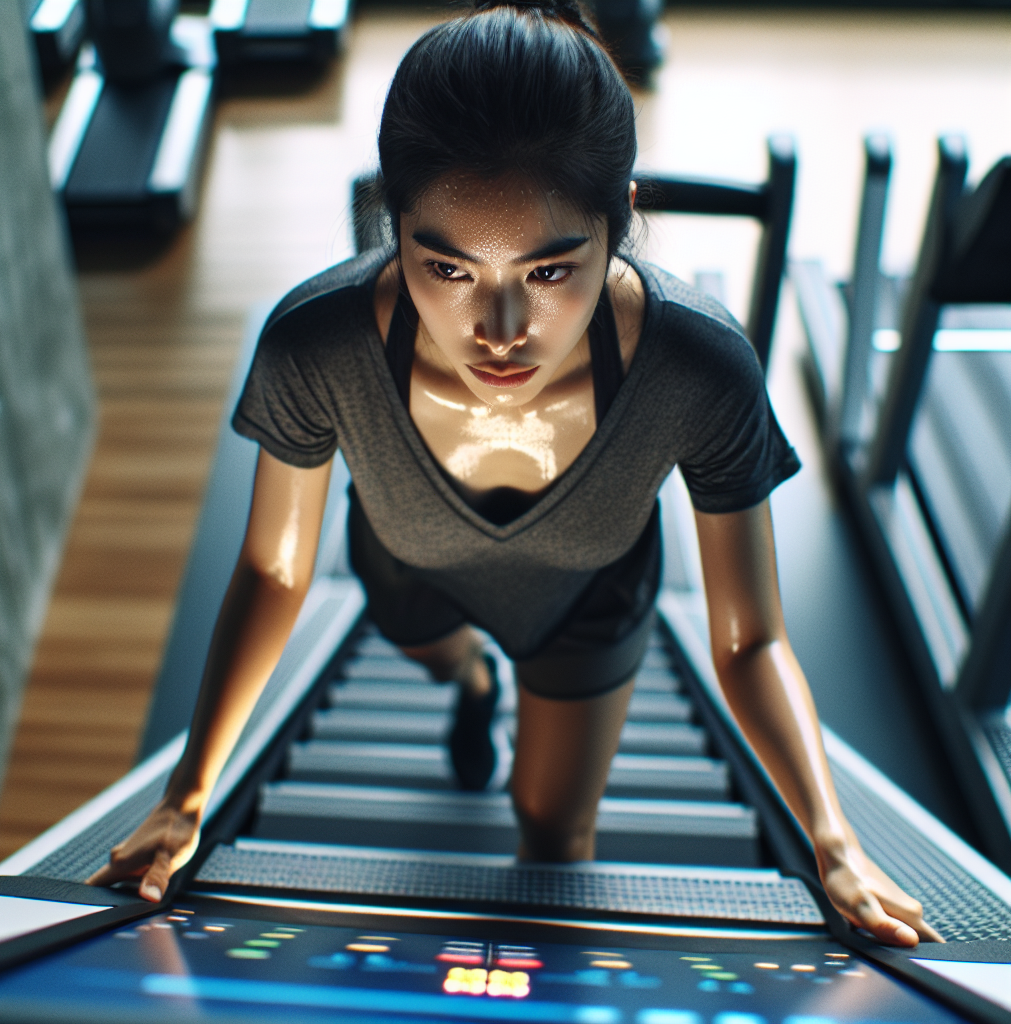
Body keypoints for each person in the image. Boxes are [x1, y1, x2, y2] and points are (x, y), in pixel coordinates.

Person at [89, 0, 941, 946]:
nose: (497, 332)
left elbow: (749, 639)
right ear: (394, 222)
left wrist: (832, 842)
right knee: (442, 656)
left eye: (546, 273)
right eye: (447, 270)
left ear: (618, 219)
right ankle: (472, 684)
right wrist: (188, 792)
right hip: (406, 568)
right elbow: (276, 570)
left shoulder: (698, 367)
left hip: (589, 598)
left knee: (552, 834)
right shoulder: (314, 345)